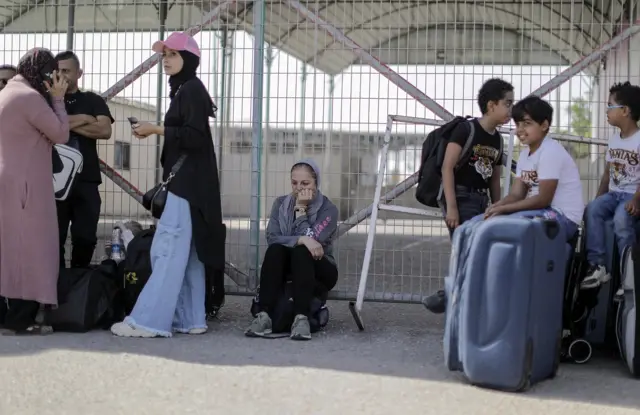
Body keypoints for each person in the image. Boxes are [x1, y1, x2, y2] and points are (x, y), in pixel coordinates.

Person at [110, 32, 225, 338]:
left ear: (188, 60)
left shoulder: (190, 90)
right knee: (186, 253)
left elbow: (195, 136)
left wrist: (155, 129)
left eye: (173, 55)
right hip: (193, 186)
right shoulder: (188, 90)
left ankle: (149, 321)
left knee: (168, 249)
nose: (166, 60)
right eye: (164, 55)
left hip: (186, 186)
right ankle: (191, 318)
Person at [424, 96, 584, 314]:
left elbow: (543, 199)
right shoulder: (527, 155)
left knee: (501, 230)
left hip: (560, 217)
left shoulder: (551, 151)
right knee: (472, 227)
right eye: (518, 124)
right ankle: (456, 288)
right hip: (540, 212)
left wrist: (504, 209)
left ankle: (474, 294)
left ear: (544, 125)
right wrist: (495, 207)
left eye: (527, 123)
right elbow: (518, 193)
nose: (520, 130)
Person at [0, 48, 69, 334]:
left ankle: (11, 316)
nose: (50, 80)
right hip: (27, 185)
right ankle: (20, 318)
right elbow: (61, 133)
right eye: (48, 74)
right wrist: (58, 99)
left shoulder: (7, 93)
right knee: (32, 249)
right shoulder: (29, 98)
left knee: (10, 248)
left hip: (10, 180)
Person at [245, 158, 339, 340]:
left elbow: (315, 245)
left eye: (305, 183)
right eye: (294, 183)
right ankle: (264, 316)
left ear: (316, 182)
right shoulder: (280, 204)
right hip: (287, 264)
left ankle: (301, 318)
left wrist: (301, 211)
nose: (299, 188)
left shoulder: (328, 209)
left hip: (321, 267)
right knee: (276, 250)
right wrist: (302, 239)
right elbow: (272, 238)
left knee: (302, 252)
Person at [55, 51, 114, 269]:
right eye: (58, 71)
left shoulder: (92, 100)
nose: (62, 75)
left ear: (79, 73)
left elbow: (105, 129)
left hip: (86, 180)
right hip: (54, 182)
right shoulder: (46, 101)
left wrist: (63, 124)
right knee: (54, 239)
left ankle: (78, 282)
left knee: (86, 238)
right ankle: (57, 286)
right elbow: (46, 126)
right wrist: (83, 119)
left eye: (67, 71)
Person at [581, 81, 640, 290]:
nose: (606, 111)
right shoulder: (614, 139)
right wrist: (598, 197)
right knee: (592, 209)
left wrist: (636, 199)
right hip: (614, 193)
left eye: (610, 106)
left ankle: (628, 276)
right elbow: (607, 173)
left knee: (621, 219)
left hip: (631, 195)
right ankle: (598, 266)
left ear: (625, 111)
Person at [440, 78, 513, 236]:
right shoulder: (465, 129)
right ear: (491, 105)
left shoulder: (498, 140)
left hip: (482, 201)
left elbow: (494, 178)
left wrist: (496, 208)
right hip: (462, 198)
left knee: (477, 250)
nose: (511, 110)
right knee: (467, 249)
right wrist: (452, 207)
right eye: (507, 104)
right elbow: (447, 167)